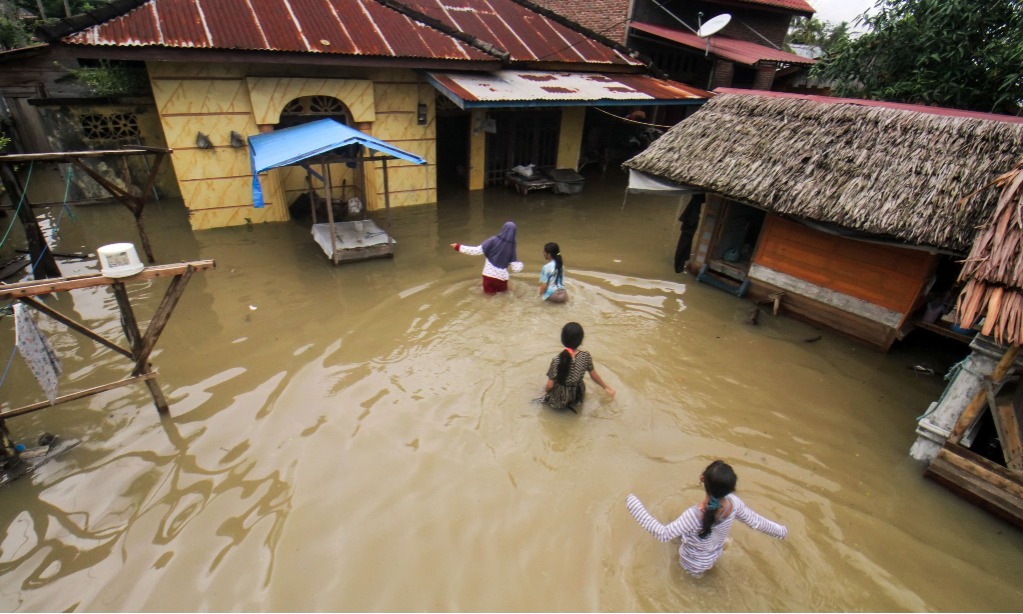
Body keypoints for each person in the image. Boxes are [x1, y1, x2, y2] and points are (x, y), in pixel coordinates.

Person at [626, 460, 787, 577]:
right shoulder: (734, 504)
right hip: (714, 554)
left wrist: (633, 504)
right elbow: (756, 522)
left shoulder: (693, 516)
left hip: (692, 564)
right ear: (731, 489)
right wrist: (781, 532)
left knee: (691, 580)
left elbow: (663, 533)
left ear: (702, 479)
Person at [542, 322, 615, 412]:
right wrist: (606, 387)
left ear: (562, 339)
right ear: (581, 340)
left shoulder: (557, 360)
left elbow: (549, 385)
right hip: (577, 394)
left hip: (560, 397)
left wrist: (545, 393)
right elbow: (594, 376)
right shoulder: (585, 356)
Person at [451, 221, 524, 294]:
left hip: (488, 277)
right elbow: (515, 269)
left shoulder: (493, 240)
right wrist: (521, 264)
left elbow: (477, 251)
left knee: (488, 297)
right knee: (503, 296)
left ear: (503, 229)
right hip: (502, 280)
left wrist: (458, 247)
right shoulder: (512, 247)